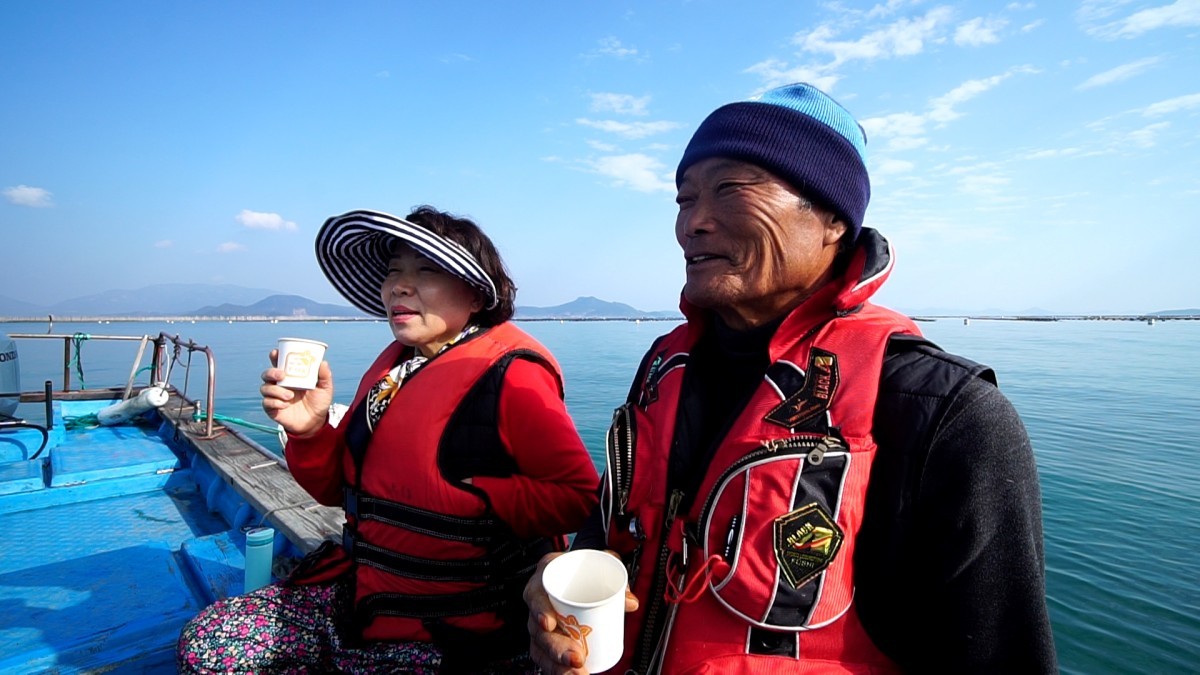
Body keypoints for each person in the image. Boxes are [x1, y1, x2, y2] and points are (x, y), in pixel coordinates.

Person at [524, 83, 1057, 673]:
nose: (692, 223)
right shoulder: (662, 367)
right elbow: (611, 529)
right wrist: (560, 581)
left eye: (731, 188)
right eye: (684, 199)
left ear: (832, 221)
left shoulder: (943, 412)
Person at [178, 206, 599, 673]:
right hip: (366, 600)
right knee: (209, 644)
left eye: (427, 270)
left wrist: (471, 499)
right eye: (394, 271)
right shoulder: (397, 369)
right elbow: (342, 493)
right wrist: (310, 431)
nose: (399, 286)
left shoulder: (512, 375)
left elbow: (580, 498)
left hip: (461, 631)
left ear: (477, 294)